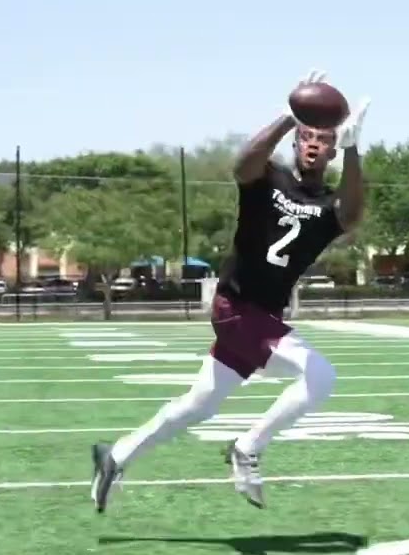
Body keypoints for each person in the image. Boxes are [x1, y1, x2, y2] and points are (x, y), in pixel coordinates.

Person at [89, 70, 370, 513]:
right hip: (237, 306)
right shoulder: (270, 178)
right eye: (307, 135)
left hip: (264, 316)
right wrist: (288, 115)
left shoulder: (328, 205)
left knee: (197, 405)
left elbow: (352, 214)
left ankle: (116, 456)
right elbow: (242, 167)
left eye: (325, 139)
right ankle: (248, 447)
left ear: (332, 150)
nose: (315, 144)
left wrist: (353, 150)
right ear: (296, 141)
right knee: (321, 375)